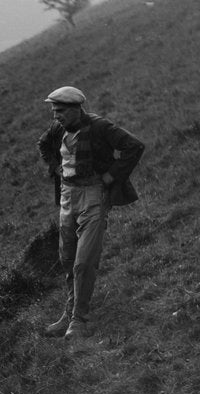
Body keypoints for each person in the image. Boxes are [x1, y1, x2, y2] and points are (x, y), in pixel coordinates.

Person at [37, 85, 145, 339]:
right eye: (54, 111)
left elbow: (134, 146)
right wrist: (56, 167)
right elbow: (43, 145)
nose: (56, 116)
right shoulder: (58, 128)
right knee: (67, 258)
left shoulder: (99, 127)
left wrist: (110, 176)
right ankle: (68, 312)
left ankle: (79, 319)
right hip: (67, 196)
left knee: (84, 261)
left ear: (76, 109)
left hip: (93, 195)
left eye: (61, 110)